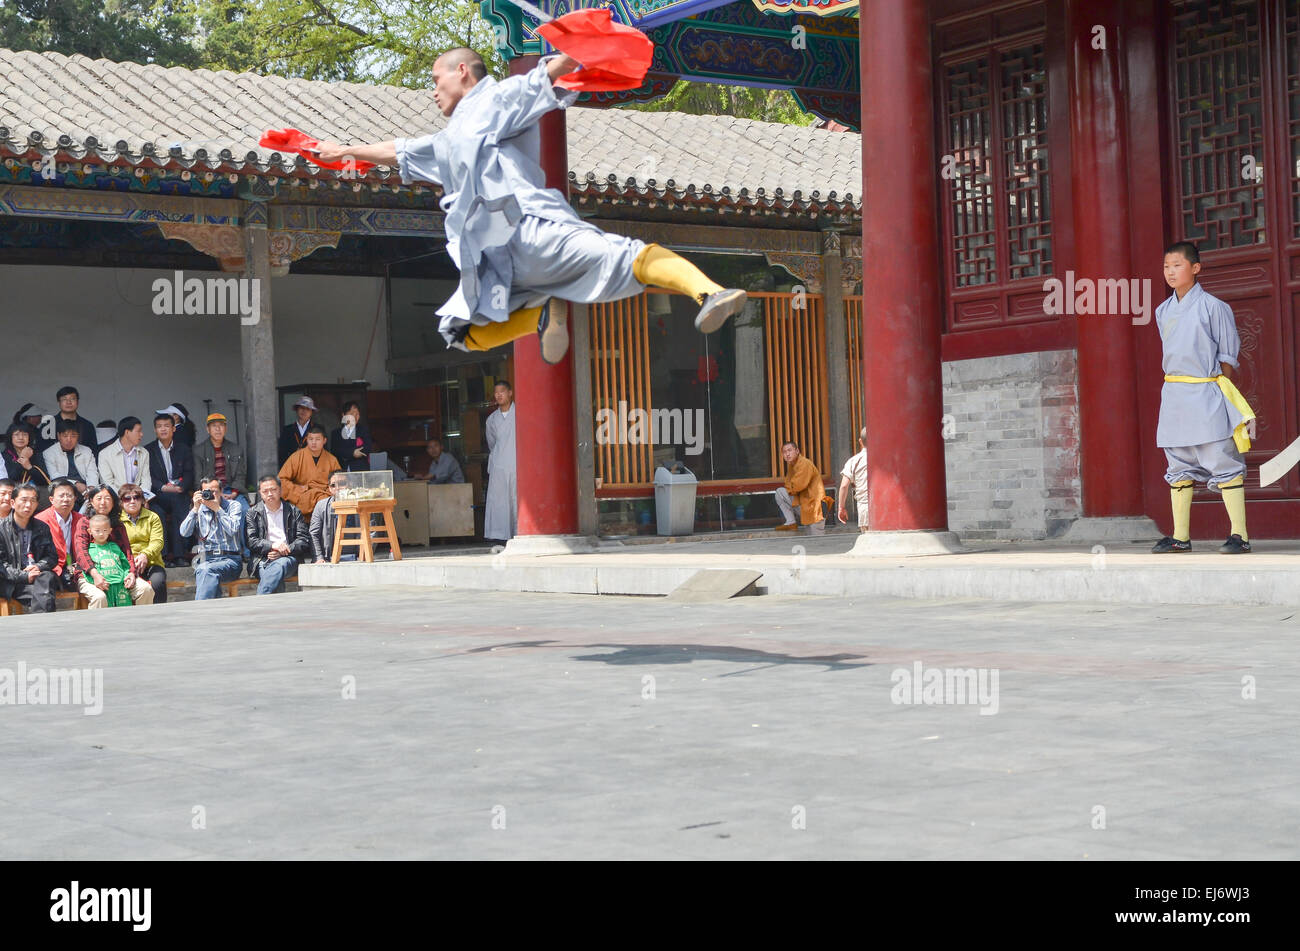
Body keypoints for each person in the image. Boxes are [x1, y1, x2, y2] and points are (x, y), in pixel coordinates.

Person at [314, 48, 746, 365]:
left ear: (461, 71)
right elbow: (400, 151)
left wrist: (581, 49)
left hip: (534, 229)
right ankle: (540, 314)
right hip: (496, 261)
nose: (432, 92)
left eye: (435, 80)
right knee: (460, 330)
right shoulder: (449, 139)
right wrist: (342, 151)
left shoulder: (496, 100)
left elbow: (538, 81)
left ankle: (710, 292)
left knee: (628, 255)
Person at [1151, 241, 1256, 555]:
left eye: (1177, 265)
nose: (1171, 272)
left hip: (1205, 390)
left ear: (1195, 268)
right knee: (1178, 463)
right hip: (1173, 394)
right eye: (1167, 266)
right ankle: (1180, 536)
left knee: (1221, 457)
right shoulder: (1162, 310)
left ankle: (1240, 535)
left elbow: (1227, 357)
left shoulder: (1214, 307)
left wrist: (1216, 387)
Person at [73, 485, 154, 608]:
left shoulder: (118, 525)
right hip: (90, 574)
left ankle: (140, 624)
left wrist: (131, 573)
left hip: (119, 573)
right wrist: (95, 575)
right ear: (91, 501)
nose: (103, 502)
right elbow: (81, 552)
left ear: (113, 502)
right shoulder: (84, 522)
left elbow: (127, 552)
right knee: (99, 597)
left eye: (107, 498)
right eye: (99, 498)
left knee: (145, 589)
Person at [192, 413, 250, 555]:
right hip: (209, 491)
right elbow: (198, 478)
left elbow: (241, 474)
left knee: (244, 510)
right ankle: (211, 551)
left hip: (231, 490)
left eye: (221, 426)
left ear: (226, 428)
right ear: (207, 429)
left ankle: (246, 550)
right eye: (214, 426)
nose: (218, 429)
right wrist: (214, 493)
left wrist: (234, 492)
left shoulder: (236, 449)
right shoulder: (198, 450)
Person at [181, 475, 246, 600]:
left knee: (205, 570)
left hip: (230, 560)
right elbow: (184, 533)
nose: (210, 495)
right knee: (205, 570)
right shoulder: (199, 509)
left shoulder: (233, 506)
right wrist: (195, 508)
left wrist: (218, 509)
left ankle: (200, 612)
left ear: (221, 491)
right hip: (206, 559)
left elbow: (233, 529)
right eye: (207, 492)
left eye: (214, 491)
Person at [146, 412, 196, 567]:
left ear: (174, 429)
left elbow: (189, 472)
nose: (163, 430)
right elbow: (147, 476)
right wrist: (162, 487)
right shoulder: (148, 450)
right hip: (158, 495)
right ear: (154, 430)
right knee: (158, 514)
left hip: (178, 494)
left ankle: (180, 555)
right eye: (159, 426)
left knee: (181, 510)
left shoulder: (183, 449)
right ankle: (164, 556)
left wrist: (181, 487)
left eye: (167, 426)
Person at [246, 475, 311, 594]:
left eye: (273, 490)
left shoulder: (294, 511)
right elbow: (251, 541)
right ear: (260, 493)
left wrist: (283, 551)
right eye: (265, 491)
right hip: (262, 559)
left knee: (278, 566)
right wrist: (273, 545)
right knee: (272, 574)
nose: (270, 494)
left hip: (288, 558)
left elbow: (303, 540)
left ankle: (260, 602)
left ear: (280, 490)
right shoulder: (253, 513)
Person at [0, 484, 57, 613]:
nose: (28, 505)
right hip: (10, 581)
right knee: (46, 596)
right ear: (13, 503)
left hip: (38, 580)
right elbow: (1, 566)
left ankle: (40, 624)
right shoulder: (1, 529)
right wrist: (25, 576)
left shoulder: (42, 527)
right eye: (24, 500)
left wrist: (38, 567)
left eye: (32, 501)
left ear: (37, 504)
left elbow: (52, 557)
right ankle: (44, 624)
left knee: (46, 577)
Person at [119, 483, 168, 604]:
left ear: (142, 500)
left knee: (158, 584)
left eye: (136, 497)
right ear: (121, 502)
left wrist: (145, 555)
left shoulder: (152, 517)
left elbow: (158, 541)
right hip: (126, 564)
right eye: (127, 498)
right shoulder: (117, 519)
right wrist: (132, 560)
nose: (132, 501)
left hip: (152, 562)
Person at [279, 424, 341, 518]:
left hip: (324, 499)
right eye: (310, 439)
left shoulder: (332, 460)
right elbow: (281, 480)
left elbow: (339, 482)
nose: (313, 442)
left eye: (317, 439)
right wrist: (298, 490)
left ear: (324, 440)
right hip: (303, 498)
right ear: (306, 440)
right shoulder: (297, 457)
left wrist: (325, 493)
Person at [35, 479, 87, 591]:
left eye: (69, 495)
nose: (65, 499)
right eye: (61, 496)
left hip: (76, 566)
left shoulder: (81, 520)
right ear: (51, 499)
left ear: (75, 499)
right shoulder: (40, 520)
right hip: (52, 567)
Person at [484, 381, 517, 541]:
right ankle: (500, 536)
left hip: (517, 463)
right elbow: (492, 443)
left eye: (502, 391)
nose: (499, 395)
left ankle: (519, 532)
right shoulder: (491, 419)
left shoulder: (520, 413)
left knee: (517, 499)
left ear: (510, 393)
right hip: (499, 464)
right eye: (496, 392)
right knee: (500, 501)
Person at [774, 440, 829, 535]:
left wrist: (792, 487)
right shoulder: (792, 466)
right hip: (803, 505)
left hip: (815, 507)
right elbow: (788, 485)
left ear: (797, 451)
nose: (787, 454)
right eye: (784, 452)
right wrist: (792, 487)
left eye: (790, 450)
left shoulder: (804, 463)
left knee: (818, 542)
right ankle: (791, 522)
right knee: (780, 492)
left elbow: (798, 486)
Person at [43, 417, 99, 501]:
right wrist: (76, 484)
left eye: (73, 436)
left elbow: (92, 472)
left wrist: (91, 488)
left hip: (86, 489)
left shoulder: (86, 451)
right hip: (63, 489)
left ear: (78, 437)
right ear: (58, 436)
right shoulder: (49, 453)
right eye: (65, 436)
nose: (69, 440)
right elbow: (54, 476)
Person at [85, 514, 134, 608]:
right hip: (104, 587)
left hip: (120, 587)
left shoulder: (115, 547)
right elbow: (86, 571)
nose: (101, 534)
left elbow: (125, 564)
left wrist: (126, 576)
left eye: (104, 530)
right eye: (97, 531)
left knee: (125, 612)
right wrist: (94, 582)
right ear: (90, 531)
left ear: (110, 531)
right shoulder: (89, 550)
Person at [309, 470, 357, 562]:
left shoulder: (361, 504)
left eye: (342, 483)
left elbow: (372, 531)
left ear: (350, 485)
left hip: (357, 556)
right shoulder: (321, 506)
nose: (338, 488)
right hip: (329, 557)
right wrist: (319, 557)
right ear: (329, 489)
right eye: (333, 485)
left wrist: (366, 554)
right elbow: (313, 534)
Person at [98, 417, 152, 497]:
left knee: (157, 509)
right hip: (116, 499)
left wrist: (140, 498)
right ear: (127, 432)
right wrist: (124, 498)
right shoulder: (105, 454)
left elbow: (146, 480)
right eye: (138, 431)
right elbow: (107, 482)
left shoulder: (144, 453)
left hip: (138, 499)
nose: (141, 434)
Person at [837, 427, 869, 532]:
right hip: (884, 506)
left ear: (860, 441)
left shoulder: (854, 461)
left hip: (865, 506)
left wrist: (841, 507)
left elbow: (844, 486)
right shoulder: (884, 459)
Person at [3, 422, 51, 491]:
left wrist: (29, 467)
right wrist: (23, 458)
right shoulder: (4, 456)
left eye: (24, 435)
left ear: (29, 438)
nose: (21, 438)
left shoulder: (37, 454)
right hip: (13, 493)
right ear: (10, 437)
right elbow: (11, 478)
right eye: (16, 434)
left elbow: (45, 481)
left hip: (36, 492)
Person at [330, 400, 373, 473]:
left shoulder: (363, 430)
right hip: (341, 469)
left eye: (357, 414)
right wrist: (352, 453)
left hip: (360, 470)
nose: (355, 417)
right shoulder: (336, 433)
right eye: (352, 414)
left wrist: (346, 452)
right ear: (343, 415)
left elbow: (367, 447)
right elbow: (335, 451)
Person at [54, 386, 99, 452]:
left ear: (77, 401)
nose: (68, 402)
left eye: (72, 399)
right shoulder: (49, 425)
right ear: (59, 402)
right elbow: (42, 451)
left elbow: (93, 451)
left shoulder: (87, 425)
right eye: (64, 399)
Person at [279, 396, 318, 466]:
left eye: (308, 409)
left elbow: (323, 452)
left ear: (312, 412)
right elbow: (282, 454)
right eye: (302, 408)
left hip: (312, 468)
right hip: (292, 468)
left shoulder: (318, 428)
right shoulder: (287, 430)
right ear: (297, 410)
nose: (304, 411)